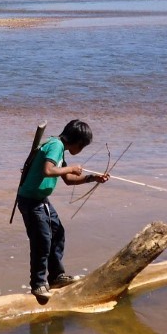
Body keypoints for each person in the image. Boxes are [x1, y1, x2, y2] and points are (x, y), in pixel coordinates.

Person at [16, 119, 109, 304]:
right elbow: (48, 170)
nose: (81, 151)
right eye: (82, 146)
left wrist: (92, 178)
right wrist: (72, 168)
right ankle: (38, 284)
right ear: (77, 141)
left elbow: (68, 179)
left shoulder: (59, 148)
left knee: (58, 233)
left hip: (40, 200)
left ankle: (56, 277)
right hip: (31, 201)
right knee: (42, 240)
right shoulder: (56, 146)